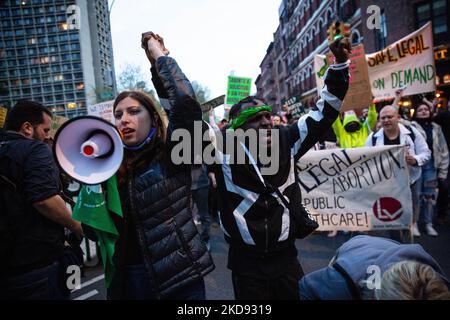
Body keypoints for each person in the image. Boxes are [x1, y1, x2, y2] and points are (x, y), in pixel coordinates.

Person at [208, 37, 351, 299]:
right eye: (256, 119)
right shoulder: (221, 150)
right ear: (238, 129)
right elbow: (182, 120)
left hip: (286, 261)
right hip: (246, 265)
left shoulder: (287, 139)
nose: (267, 122)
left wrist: (340, 65)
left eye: (267, 116)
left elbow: (324, 113)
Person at [102, 32, 214, 300]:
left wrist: (158, 58)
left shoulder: (172, 154)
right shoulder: (107, 166)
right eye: (118, 115)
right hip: (128, 282)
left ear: (153, 117)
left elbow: (184, 105)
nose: (124, 120)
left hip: (177, 280)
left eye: (133, 112)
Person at [0, 100, 83, 300]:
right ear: (27, 128)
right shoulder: (34, 149)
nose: (48, 135)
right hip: (37, 268)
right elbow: (44, 199)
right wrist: (77, 226)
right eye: (45, 130)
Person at [299, 235, 450, 300]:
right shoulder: (342, 280)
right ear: (377, 294)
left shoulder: (437, 286)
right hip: (354, 256)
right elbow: (304, 291)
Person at [366, 105, 431, 239]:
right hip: (388, 184)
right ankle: (398, 242)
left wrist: (414, 160)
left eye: (390, 117)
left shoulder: (411, 132)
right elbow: (366, 158)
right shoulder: (373, 138)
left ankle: (409, 230)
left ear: (398, 118)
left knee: (411, 212)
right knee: (393, 215)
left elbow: (426, 153)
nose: (386, 120)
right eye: (383, 118)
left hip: (410, 180)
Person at [410, 102, 449, 236]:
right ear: (415, 113)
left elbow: (443, 149)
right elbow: (393, 114)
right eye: (420, 109)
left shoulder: (436, 128)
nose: (423, 111)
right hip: (417, 166)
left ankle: (428, 223)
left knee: (430, 196)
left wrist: (443, 171)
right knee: (416, 196)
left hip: (432, 167)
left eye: (426, 109)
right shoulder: (410, 127)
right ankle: (414, 223)